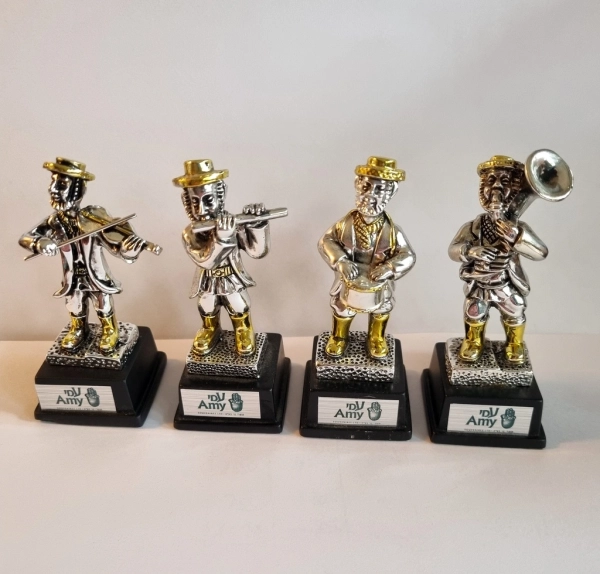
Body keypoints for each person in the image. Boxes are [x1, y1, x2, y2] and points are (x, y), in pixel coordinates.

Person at [19, 158, 146, 353]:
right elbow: (26, 238)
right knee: (74, 303)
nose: (53, 189)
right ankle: (78, 329)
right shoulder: (54, 221)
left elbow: (115, 247)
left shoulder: (93, 217)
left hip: (95, 275)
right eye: (53, 183)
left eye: (61, 184)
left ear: (76, 190)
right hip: (71, 275)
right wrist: (40, 243)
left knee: (102, 303)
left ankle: (110, 329)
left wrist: (129, 250)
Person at [448, 155, 548, 364]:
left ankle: (514, 343)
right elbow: (453, 250)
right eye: (491, 181)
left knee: (515, 308)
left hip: (505, 284)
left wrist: (517, 237)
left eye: (504, 182)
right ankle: (474, 341)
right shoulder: (473, 226)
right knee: (473, 311)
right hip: (480, 283)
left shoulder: (517, 228)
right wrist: (471, 251)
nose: (496, 188)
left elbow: (540, 252)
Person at [318, 156, 416, 359]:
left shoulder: (393, 231)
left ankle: (376, 338)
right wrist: (341, 261)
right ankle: (339, 337)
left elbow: (407, 255)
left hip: (378, 280)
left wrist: (389, 268)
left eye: (379, 190)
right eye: (366, 187)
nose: (371, 194)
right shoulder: (343, 225)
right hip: (348, 278)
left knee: (382, 308)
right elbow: (326, 241)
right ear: (357, 185)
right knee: (342, 308)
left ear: (391, 193)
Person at [174, 159, 270, 356]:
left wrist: (256, 224)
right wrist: (222, 239)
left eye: (208, 200)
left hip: (231, 277)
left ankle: (243, 329)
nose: (201, 210)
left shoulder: (233, 224)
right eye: (195, 202)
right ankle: (210, 328)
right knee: (207, 307)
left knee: (239, 305)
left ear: (221, 195)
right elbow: (206, 261)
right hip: (208, 280)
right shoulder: (190, 234)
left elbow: (257, 252)